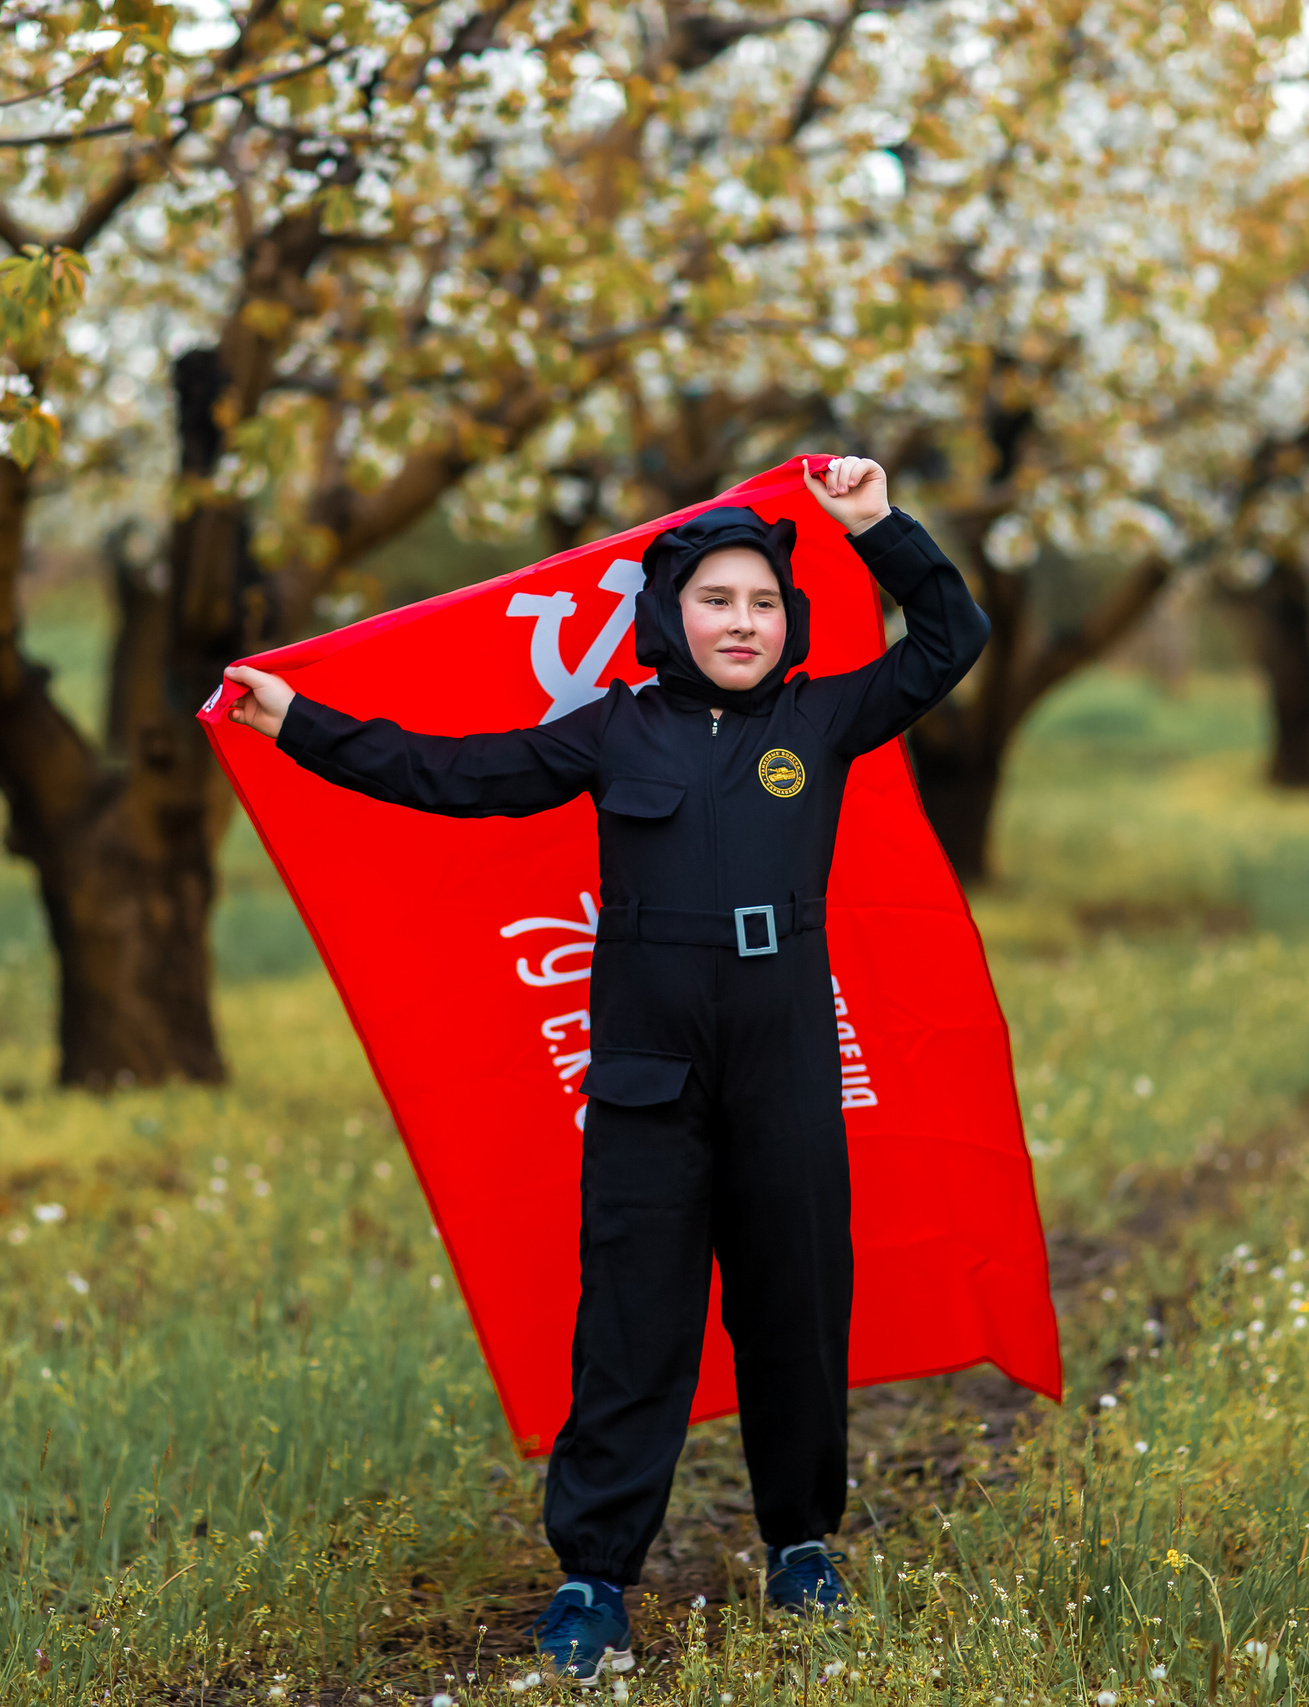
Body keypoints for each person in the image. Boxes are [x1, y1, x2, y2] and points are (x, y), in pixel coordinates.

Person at [222, 456, 989, 1684]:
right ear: (667, 615)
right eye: (715, 600)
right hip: (647, 1075)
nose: (741, 623)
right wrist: (298, 723)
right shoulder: (613, 727)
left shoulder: (821, 719)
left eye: (764, 604)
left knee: (795, 1309)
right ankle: (593, 1576)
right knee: (633, 1323)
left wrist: (874, 525)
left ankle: (801, 1546)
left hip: (786, 1064)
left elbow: (952, 636)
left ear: (788, 621)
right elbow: (455, 777)